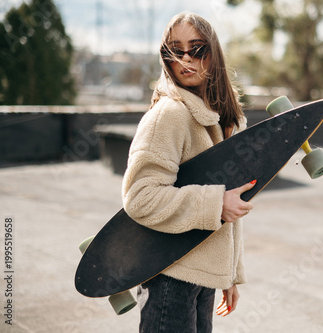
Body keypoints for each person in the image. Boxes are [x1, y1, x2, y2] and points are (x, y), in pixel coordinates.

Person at [121, 12, 254, 333]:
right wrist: (215, 203)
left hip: (201, 276)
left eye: (196, 48)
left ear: (214, 53)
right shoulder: (169, 115)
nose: (185, 58)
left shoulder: (220, 119)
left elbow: (228, 209)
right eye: (174, 50)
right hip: (170, 276)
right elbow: (140, 197)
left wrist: (230, 274)